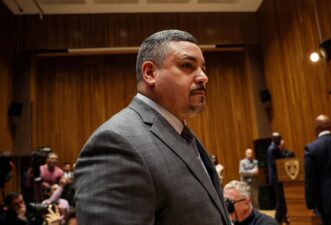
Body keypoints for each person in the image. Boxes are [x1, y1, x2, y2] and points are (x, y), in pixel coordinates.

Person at [74, 29, 231, 225]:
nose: (203, 77)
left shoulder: (180, 132)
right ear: (149, 73)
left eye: (203, 68)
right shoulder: (116, 144)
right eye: (188, 65)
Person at [267, 132, 288, 224]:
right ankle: (277, 219)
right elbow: (274, 163)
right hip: (276, 178)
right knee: (280, 200)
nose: (280, 140)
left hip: (278, 177)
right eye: (279, 138)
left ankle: (282, 217)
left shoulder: (274, 148)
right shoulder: (273, 149)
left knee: (282, 199)